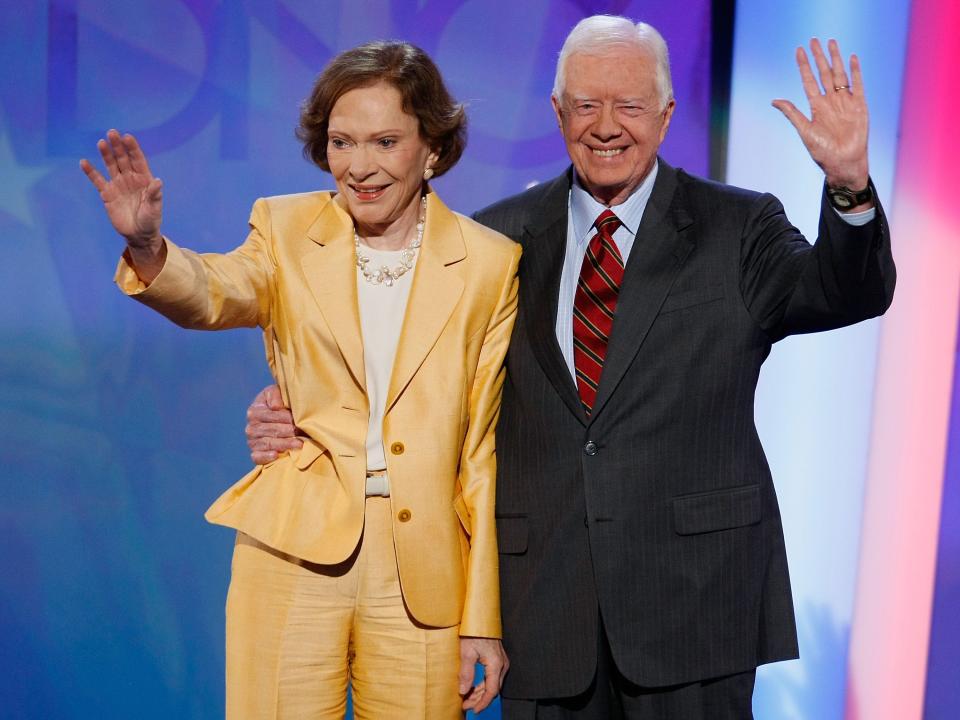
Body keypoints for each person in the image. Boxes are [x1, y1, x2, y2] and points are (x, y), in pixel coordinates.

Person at [245, 16, 895, 720]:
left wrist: (850, 187)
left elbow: (845, 291)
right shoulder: (492, 240)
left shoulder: (738, 226)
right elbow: (415, 383)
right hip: (544, 611)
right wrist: (303, 416)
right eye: (586, 105)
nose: (606, 125)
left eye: (630, 105)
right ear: (558, 113)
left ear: (667, 114)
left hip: (696, 608)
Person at [81, 41, 519, 719]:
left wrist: (482, 616)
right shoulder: (285, 229)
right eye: (341, 142)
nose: (360, 165)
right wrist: (148, 248)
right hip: (293, 551)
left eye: (385, 141)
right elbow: (214, 292)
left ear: (431, 146)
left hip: (424, 573)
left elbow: (479, 456)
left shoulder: (489, 264)